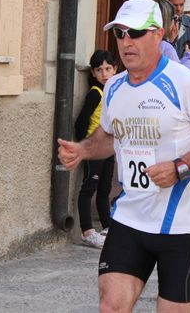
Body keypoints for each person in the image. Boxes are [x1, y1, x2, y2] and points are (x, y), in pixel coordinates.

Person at [57, 0, 190, 313]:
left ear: (157, 34)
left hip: (182, 223)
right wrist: (83, 149)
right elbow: (109, 136)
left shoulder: (188, 84)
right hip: (130, 216)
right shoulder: (114, 87)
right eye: (120, 34)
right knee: (110, 306)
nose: (126, 42)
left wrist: (180, 167)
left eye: (136, 32)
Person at [74, 50, 118, 249]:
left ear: (115, 69)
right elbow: (81, 121)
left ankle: (107, 227)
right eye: (99, 70)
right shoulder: (96, 93)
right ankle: (87, 232)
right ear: (93, 73)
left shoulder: (113, 91)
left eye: (108, 69)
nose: (104, 73)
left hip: (109, 148)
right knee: (89, 188)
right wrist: (86, 146)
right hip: (95, 148)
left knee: (105, 189)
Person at [156, 0, 190, 71]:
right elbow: (181, 76)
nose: (176, 22)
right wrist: (189, 56)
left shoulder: (144, 42)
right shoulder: (166, 48)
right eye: (175, 18)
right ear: (167, 20)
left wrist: (171, 42)